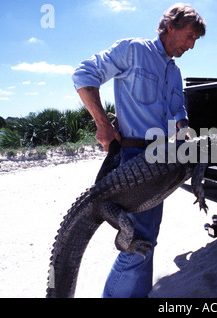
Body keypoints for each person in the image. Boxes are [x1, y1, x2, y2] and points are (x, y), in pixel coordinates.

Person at [71, 3, 206, 298]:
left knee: (148, 240)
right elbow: (84, 75)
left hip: (160, 158)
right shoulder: (133, 50)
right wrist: (102, 123)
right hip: (132, 157)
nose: (191, 45)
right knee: (137, 245)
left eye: (196, 40)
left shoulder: (174, 70)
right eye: (189, 36)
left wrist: (185, 136)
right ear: (170, 26)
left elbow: (177, 111)